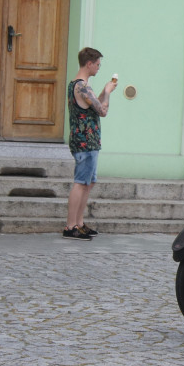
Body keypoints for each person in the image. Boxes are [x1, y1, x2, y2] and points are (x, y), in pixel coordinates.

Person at [63, 47, 116, 240]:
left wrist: (103, 90)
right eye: (98, 64)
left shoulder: (80, 85)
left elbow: (93, 104)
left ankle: (79, 223)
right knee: (80, 183)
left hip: (89, 140)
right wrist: (108, 93)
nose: (99, 68)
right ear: (89, 63)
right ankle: (70, 226)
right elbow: (102, 110)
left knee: (88, 182)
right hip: (84, 140)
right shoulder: (81, 86)